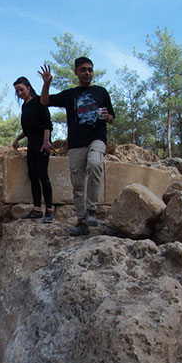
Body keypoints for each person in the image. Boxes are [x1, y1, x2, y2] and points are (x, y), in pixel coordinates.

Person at [39, 57, 114, 235]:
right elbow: (44, 101)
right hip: (75, 143)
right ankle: (82, 223)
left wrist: (106, 116)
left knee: (95, 164)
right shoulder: (69, 95)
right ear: (76, 72)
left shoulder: (101, 92)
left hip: (97, 138)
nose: (87, 73)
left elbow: (111, 119)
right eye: (83, 70)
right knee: (78, 184)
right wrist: (47, 83)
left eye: (90, 69)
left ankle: (91, 210)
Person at [12, 76, 54, 223]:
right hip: (32, 143)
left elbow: (47, 124)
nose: (20, 93)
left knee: (43, 174)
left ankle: (49, 210)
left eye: (21, 89)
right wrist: (18, 138)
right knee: (33, 175)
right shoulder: (25, 106)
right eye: (17, 91)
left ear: (28, 88)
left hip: (42, 142)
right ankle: (37, 209)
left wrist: (46, 141)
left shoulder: (39, 101)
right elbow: (28, 128)